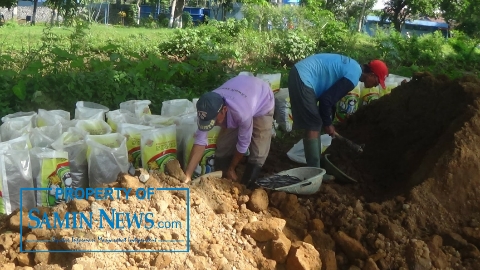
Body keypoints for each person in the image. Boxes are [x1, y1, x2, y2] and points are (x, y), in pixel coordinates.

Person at [288, 53, 388, 168]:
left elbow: (329, 98)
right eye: (377, 81)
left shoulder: (354, 68)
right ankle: (314, 171)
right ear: (371, 75)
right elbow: (326, 101)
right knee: (314, 123)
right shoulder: (353, 77)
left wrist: (328, 119)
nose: (376, 85)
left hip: (302, 74)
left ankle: (315, 166)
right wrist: (328, 124)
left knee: (315, 122)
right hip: (303, 77)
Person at [183, 75, 275, 188]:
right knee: (223, 145)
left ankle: (247, 186)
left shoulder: (242, 114)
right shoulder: (207, 107)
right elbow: (200, 141)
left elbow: (243, 144)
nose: (214, 123)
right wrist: (187, 175)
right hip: (242, 92)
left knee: (259, 150)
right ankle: (223, 178)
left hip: (262, 99)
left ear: (224, 110)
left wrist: (232, 168)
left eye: (215, 120)